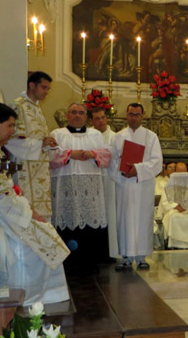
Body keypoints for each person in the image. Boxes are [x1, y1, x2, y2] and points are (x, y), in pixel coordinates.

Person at [0, 103, 70, 305]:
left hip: (5, 208)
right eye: (10, 126)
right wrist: (28, 213)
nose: (12, 131)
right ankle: (28, 296)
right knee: (32, 241)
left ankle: (45, 294)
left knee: (44, 232)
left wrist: (26, 209)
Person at [49, 103, 112, 273]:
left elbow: (107, 156)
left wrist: (93, 154)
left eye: (81, 113)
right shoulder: (57, 134)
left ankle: (91, 260)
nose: (77, 115)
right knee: (68, 219)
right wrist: (70, 154)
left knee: (91, 218)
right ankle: (68, 262)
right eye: (73, 112)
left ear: (86, 117)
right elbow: (49, 156)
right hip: (65, 186)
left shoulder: (96, 134)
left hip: (91, 187)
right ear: (67, 115)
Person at [109, 103, 163, 270]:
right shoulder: (117, 137)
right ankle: (125, 256)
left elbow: (157, 162)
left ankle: (141, 257)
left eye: (137, 114)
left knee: (142, 219)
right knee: (124, 219)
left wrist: (137, 170)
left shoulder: (151, 137)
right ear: (127, 115)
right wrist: (124, 171)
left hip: (142, 185)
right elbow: (112, 162)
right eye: (131, 114)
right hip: (124, 184)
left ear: (142, 116)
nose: (134, 117)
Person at [6, 71, 58, 219]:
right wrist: (41, 144)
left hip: (40, 170)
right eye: (43, 87)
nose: (46, 92)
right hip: (24, 170)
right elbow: (12, 141)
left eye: (48, 89)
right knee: (27, 212)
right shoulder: (18, 106)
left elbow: (41, 138)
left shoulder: (36, 109)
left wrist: (50, 144)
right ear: (31, 85)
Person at [91, 107, 119, 260]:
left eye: (102, 117)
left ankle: (111, 251)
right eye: (97, 118)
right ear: (92, 121)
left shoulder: (115, 137)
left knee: (110, 213)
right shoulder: (88, 136)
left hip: (110, 180)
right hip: (93, 179)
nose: (100, 121)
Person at [160, 162, 188, 248]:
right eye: (179, 172)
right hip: (175, 209)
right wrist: (177, 206)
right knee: (174, 218)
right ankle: (176, 244)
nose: (182, 175)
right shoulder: (169, 184)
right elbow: (165, 202)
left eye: (184, 172)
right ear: (175, 172)